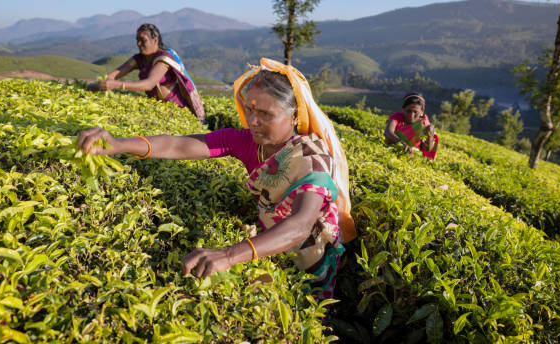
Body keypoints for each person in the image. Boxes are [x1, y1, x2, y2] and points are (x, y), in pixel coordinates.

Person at [77, 58, 356, 299]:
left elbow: (300, 226)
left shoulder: (312, 159)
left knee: (309, 305)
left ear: (294, 116)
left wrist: (228, 255)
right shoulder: (248, 142)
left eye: (265, 114)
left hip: (311, 251)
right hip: (267, 241)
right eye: (250, 110)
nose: (253, 121)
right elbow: (180, 145)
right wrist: (119, 144)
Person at [87, 23, 205, 122]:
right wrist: (97, 85)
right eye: (137, 40)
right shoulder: (140, 58)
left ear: (155, 40)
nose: (139, 44)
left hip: (176, 107)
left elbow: (149, 84)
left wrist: (117, 85)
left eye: (143, 40)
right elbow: (115, 74)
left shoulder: (164, 58)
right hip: (157, 107)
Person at [384, 93, 438, 160]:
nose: (411, 115)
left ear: (422, 111)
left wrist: (430, 137)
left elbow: (427, 149)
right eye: (408, 111)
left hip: (412, 156)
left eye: (415, 112)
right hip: (391, 150)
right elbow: (387, 132)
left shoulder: (425, 125)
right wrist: (402, 143)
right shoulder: (397, 117)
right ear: (403, 109)